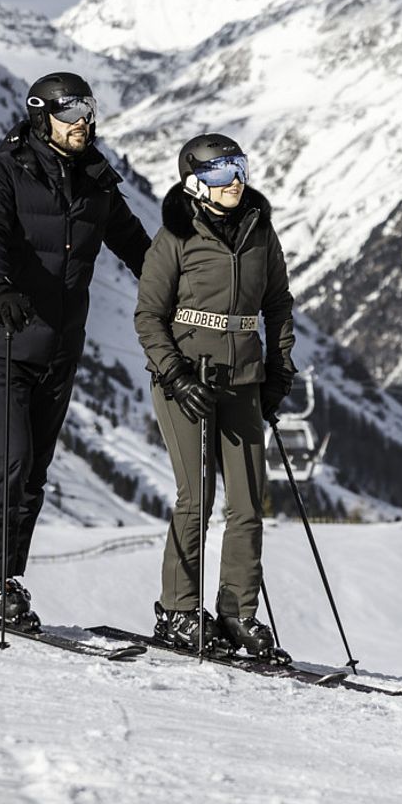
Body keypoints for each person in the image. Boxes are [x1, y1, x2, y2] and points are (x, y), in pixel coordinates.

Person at [0, 72, 149, 629]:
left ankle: (5, 580)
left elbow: (138, 247)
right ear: (43, 119)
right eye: (72, 118)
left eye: (88, 116)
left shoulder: (96, 183)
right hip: (5, 337)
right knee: (12, 461)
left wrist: (184, 288)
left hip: (60, 346)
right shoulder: (2, 174)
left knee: (35, 472)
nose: (83, 126)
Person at [135, 133, 298, 658]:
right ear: (194, 181)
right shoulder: (175, 236)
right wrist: (176, 375)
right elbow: (149, 317)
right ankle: (179, 611)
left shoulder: (259, 232)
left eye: (239, 168)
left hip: (244, 381)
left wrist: (279, 369)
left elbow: (278, 305)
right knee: (196, 498)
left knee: (249, 504)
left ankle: (237, 614)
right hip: (185, 383)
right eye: (220, 172)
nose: (234, 181)